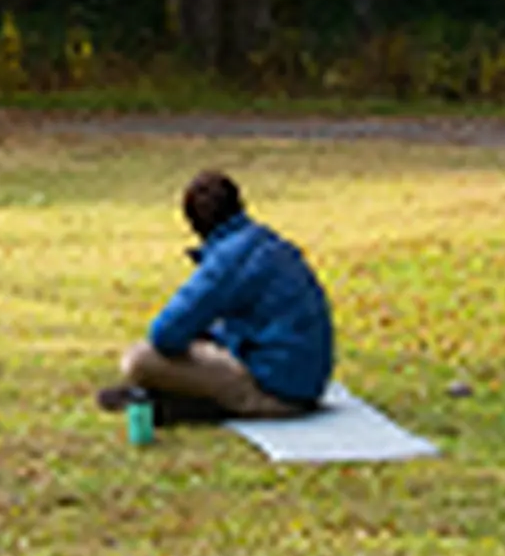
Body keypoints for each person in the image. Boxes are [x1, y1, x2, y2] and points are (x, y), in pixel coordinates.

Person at [98, 166, 335, 421]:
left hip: (278, 391)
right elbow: (253, 324)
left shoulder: (228, 259)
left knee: (139, 359)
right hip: (304, 380)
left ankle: (197, 404)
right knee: (202, 344)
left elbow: (164, 334)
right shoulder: (263, 243)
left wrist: (194, 337)